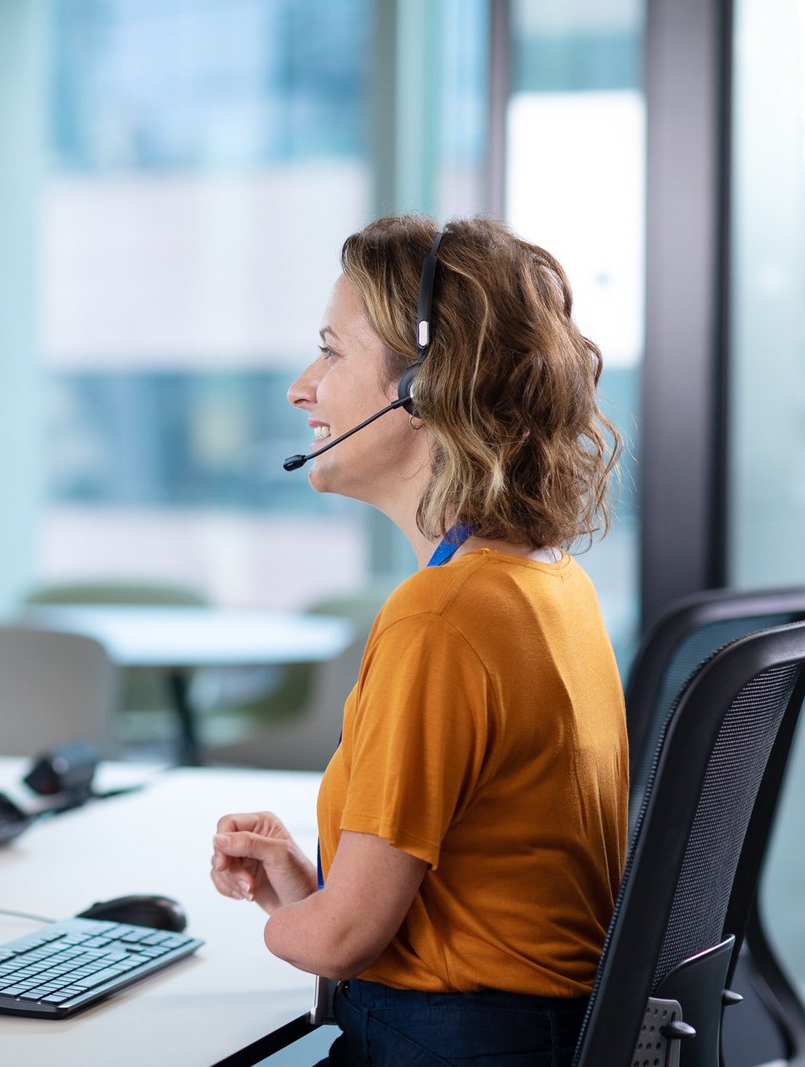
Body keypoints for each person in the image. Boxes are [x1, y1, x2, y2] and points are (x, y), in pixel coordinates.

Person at [209, 216, 626, 1063]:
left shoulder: (442, 616)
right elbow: (475, 888)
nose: (301, 387)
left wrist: (290, 928)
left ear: (425, 387)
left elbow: (339, 944)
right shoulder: (549, 587)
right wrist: (304, 890)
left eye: (331, 352)